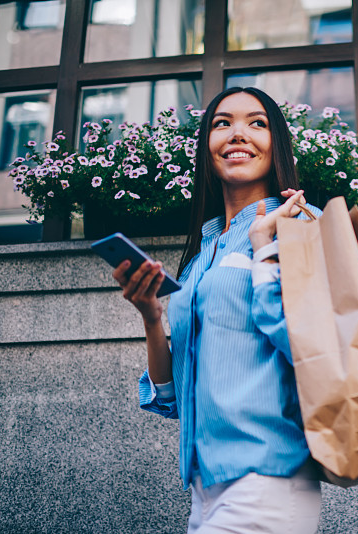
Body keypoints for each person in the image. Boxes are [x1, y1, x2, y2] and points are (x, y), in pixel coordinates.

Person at [112, 86, 322, 533]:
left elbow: (311, 347)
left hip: (268, 477)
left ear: (276, 144)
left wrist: (265, 244)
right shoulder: (202, 254)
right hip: (204, 490)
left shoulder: (302, 224)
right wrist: (151, 316)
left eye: (257, 123)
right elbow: (172, 400)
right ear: (206, 147)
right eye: (222, 123)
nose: (237, 134)